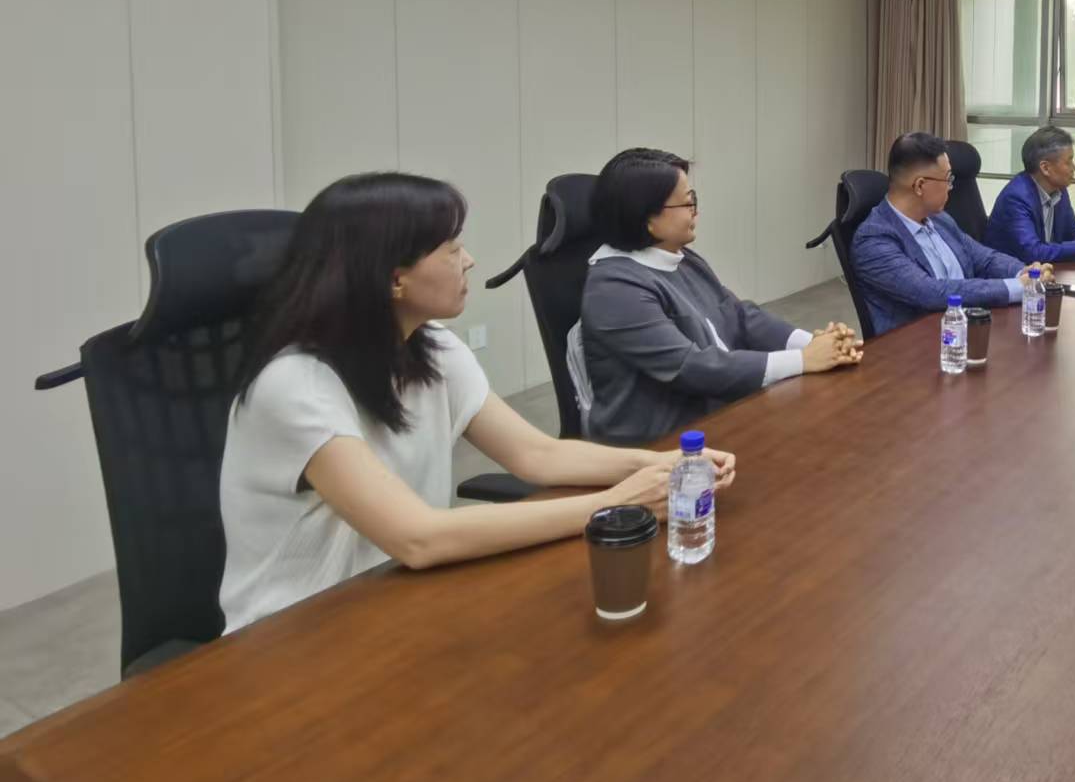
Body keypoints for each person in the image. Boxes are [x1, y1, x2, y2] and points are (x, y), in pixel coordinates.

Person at [219, 172, 736, 634]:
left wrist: (661, 464)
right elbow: (418, 537)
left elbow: (538, 455)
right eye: (450, 248)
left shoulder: (431, 347)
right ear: (394, 277)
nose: (468, 260)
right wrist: (617, 503)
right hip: (295, 637)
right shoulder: (296, 386)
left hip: (398, 606)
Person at [574, 148, 862, 444]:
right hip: (663, 445)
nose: (696, 211)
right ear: (647, 218)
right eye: (688, 202)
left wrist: (812, 343)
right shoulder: (614, 289)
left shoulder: (681, 257)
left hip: (719, 413)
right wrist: (802, 360)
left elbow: (740, 315)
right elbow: (691, 367)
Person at [852, 131, 1047, 336]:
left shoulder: (939, 219)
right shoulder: (873, 239)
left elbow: (985, 258)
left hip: (966, 329)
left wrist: (1024, 273)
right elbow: (932, 293)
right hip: (918, 345)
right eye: (948, 179)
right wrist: (1018, 287)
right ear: (920, 185)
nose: (951, 187)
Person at [985, 126, 1075, 265]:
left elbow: (1073, 231)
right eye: (1068, 161)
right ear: (1045, 168)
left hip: (1045, 271)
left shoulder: (1058, 188)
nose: (1074, 168)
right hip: (1011, 274)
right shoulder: (1016, 198)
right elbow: (1032, 252)